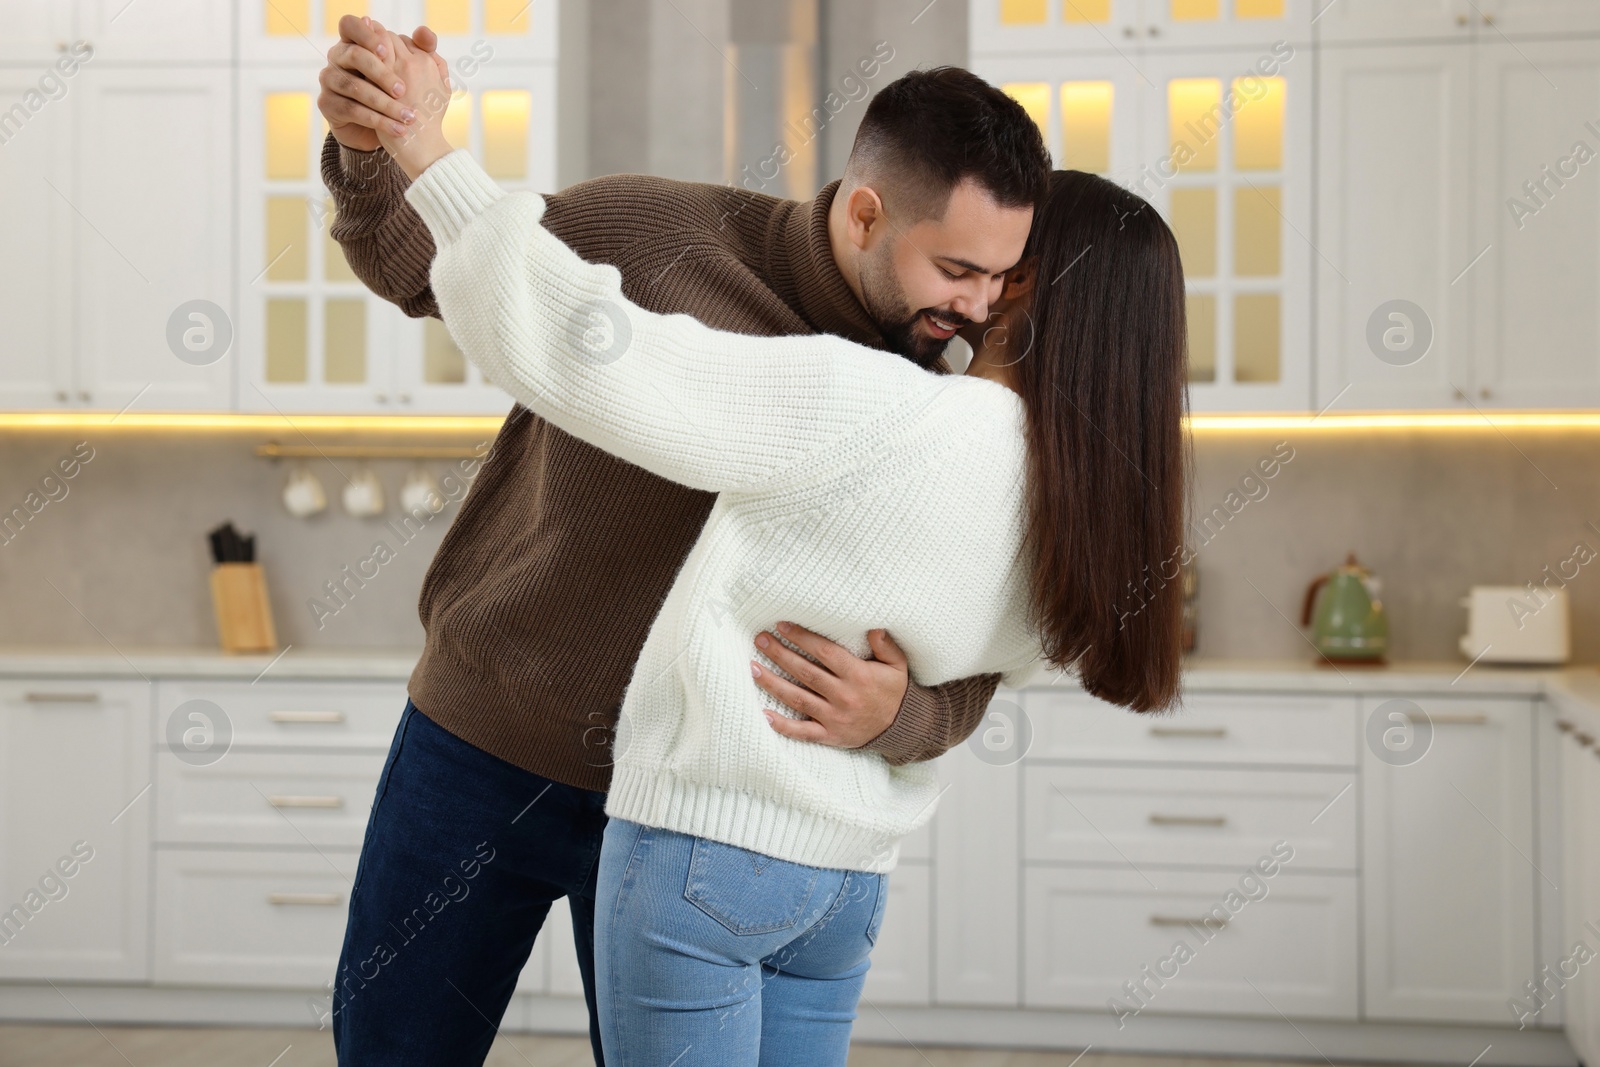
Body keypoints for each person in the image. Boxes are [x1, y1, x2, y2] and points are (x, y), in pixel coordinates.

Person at [371, 28, 1190, 1065]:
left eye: (999, 278)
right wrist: (377, 154)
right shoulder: (1080, 488)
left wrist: (429, 149)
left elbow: (585, 352)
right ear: (866, 212)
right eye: (963, 268)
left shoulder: (896, 400)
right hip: (719, 831)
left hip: (694, 831)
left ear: (1033, 291)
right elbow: (1009, 649)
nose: (975, 301)